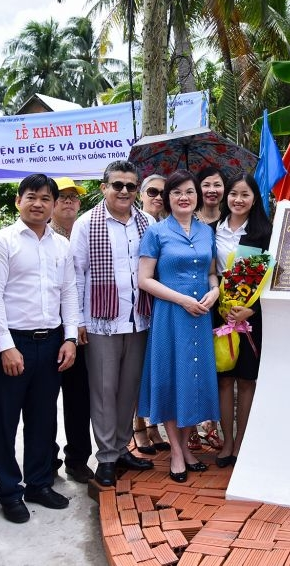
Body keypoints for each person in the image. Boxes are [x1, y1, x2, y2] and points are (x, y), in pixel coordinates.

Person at [0, 174, 80, 524]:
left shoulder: (62, 246)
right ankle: (10, 491)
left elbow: (69, 292)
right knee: (6, 422)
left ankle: (39, 483)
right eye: (31, 197)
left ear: (54, 204)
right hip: (13, 343)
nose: (38, 203)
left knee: (43, 419)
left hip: (50, 342)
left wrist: (69, 338)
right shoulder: (3, 242)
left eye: (45, 198)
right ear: (18, 201)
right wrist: (6, 347)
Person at [70, 162, 155, 489]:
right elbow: (76, 276)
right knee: (104, 391)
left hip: (138, 319)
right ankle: (106, 457)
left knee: (127, 390)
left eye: (130, 186)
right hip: (101, 322)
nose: (123, 191)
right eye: (117, 185)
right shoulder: (86, 224)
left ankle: (121, 449)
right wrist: (77, 320)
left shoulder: (146, 222)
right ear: (104, 187)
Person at [137, 170, 221, 482]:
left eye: (188, 191)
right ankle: (175, 450)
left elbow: (212, 272)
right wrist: (182, 299)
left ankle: (186, 447)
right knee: (172, 378)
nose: (183, 197)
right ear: (168, 199)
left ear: (197, 195)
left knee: (193, 379)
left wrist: (214, 290)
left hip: (201, 315)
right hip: (171, 316)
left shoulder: (205, 232)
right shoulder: (156, 232)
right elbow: (144, 280)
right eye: (176, 193)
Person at [210, 173, 273, 468]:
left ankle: (243, 443)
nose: (238, 199)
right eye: (233, 193)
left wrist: (253, 309)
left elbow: (275, 277)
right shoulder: (211, 231)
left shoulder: (264, 233)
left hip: (250, 313)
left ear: (255, 198)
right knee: (224, 379)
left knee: (247, 380)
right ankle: (227, 443)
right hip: (218, 311)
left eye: (245, 194)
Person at [48, 177, 94, 484]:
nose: (68, 202)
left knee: (79, 399)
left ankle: (78, 459)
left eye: (73, 198)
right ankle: (46, 459)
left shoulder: (85, 232)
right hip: (49, 330)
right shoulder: (40, 236)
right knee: (44, 401)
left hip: (81, 331)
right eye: (62, 197)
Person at [131, 173, 170, 456]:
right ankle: (138, 427)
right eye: (152, 192)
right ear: (141, 194)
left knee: (154, 369)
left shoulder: (170, 225)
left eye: (163, 193)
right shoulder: (133, 223)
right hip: (136, 308)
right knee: (136, 371)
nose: (158, 197)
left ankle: (155, 426)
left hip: (163, 307)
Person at [191, 166, 226, 452]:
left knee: (217, 364)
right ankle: (191, 427)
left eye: (217, 184)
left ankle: (211, 425)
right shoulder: (187, 221)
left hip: (227, 302)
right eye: (206, 184)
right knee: (194, 363)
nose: (212, 190)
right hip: (193, 302)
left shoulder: (232, 221)